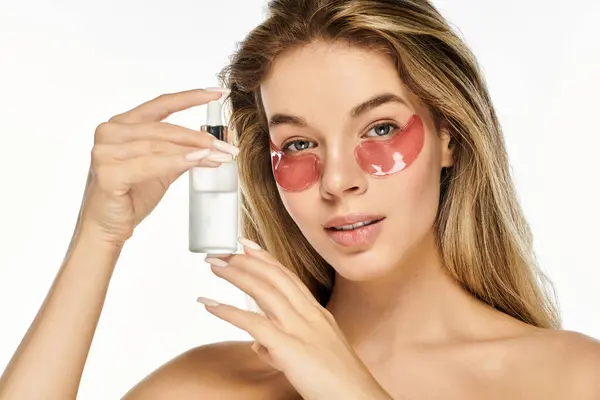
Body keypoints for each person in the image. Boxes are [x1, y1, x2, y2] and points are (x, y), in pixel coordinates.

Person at [1, 0, 599, 398]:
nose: (338, 180)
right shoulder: (210, 385)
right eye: (300, 142)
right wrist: (98, 236)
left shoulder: (569, 378)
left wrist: (347, 387)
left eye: (381, 129)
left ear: (449, 136)